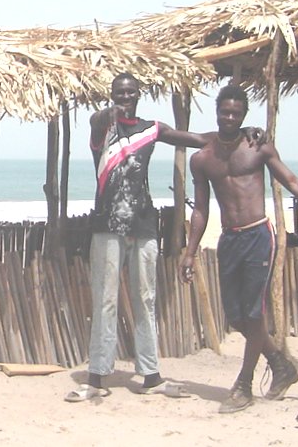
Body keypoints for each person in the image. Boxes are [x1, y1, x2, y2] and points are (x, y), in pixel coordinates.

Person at [65, 73, 265, 402]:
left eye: (130, 92)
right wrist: (109, 112)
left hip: (143, 225)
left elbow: (198, 138)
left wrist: (242, 133)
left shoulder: (151, 129)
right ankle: (97, 376)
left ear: (139, 95)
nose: (125, 97)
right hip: (107, 226)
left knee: (146, 299)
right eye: (119, 93)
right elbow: (97, 117)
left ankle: (151, 375)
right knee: (106, 299)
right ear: (112, 95)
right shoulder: (102, 128)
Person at [179, 84, 298, 414]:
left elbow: (292, 182)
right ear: (217, 112)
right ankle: (280, 363)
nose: (230, 117)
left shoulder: (257, 146)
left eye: (237, 113)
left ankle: (244, 385)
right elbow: (201, 209)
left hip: (258, 236)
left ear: (244, 115)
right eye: (225, 112)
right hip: (230, 239)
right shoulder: (202, 158)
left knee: (253, 313)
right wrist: (190, 251)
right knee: (236, 317)